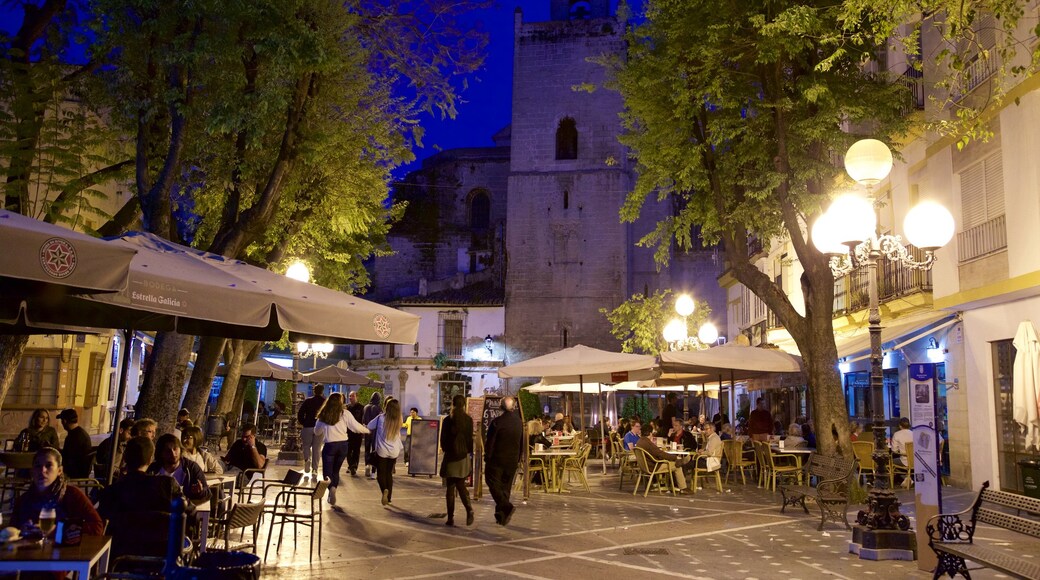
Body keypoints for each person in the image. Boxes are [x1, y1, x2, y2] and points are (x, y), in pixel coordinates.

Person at [99, 437, 192, 560]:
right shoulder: (167, 485)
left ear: (125, 459)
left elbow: (100, 523)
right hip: (163, 555)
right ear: (150, 459)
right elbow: (191, 513)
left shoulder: (111, 492)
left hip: (121, 556)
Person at [13, 448, 104, 546]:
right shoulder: (24, 500)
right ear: (32, 471)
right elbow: (12, 530)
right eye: (38, 466)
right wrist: (22, 530)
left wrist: (58, 530)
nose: (42, 470)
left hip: (65, 556)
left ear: (59, 470)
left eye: (48, 465)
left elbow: (97, 527)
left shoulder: (72, 495)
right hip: (30, 557)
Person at [314, 393, 370, 505]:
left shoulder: (323, 415)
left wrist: (324, 429)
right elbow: (355, 427)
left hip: (330, 446)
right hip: (343, 445)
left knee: (327, 471)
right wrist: (367, 430)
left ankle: (331, 488)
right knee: (336, 470)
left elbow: (317, 431)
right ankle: (334, 487)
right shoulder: (345, 413)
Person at [484, 396, 523, 526]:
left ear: (501, 407)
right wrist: (519, 457)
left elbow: (491, 441)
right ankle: (501, 516)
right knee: (505, 487)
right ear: (513, 407)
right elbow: (521, 442)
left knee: (492, 482)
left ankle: (506, 506)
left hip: (497, 459)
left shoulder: (497, 422)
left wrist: (487, 457)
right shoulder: (519, 422)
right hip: (512, 460)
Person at [439, 395, 474, 526]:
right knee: (460, 484)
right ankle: (469, 509)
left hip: (451, 457)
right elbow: (470, 440)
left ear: (452, 405)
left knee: (450, 488)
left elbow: (443, 440)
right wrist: (467, 452)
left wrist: (446, 449)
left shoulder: (448, 420)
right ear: (464, 405)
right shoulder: (468, 420)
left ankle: (450, 518)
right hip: (463, 457)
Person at [148, 433, 210, 504]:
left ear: (180, 449)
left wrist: (200, 492)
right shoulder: (153, 469)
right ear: (161, 452)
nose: (173, 453)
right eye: (168, 450)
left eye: (175, 449)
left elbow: (207, 493)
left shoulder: (191, 468)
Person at [367, 398, 403, 506]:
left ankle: (384, 491)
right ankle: (389, 498)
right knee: (389, 474)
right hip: (394, 451)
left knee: (380, 475)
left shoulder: (380, 418)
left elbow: (369, 426)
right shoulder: (399, 419)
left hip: (382, 450)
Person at [635, 425, 691, 493]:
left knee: (670, 460)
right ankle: (683, 488)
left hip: (644, 467)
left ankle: (679, 461)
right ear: (650, 433)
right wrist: (675, 457)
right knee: (677, 466)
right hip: (654, 466)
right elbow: (660, 453)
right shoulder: (648, 443)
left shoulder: (639, 442)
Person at [297, 384, 326, 474]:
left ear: (314, 391)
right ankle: (315, 469)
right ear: (322, 391)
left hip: (308, 426)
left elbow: (300, 413)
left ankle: (307, 460)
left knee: (306, 446)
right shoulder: (325, 402)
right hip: (320, 427)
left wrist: (303, 422)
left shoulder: (308, 401)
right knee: (317, 448)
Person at [56, 409, 93, 479]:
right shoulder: (81, 433)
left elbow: (67, 458)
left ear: (64, 421)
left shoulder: (73, 437)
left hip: (75, 472)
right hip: (82, 471)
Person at [362, 392, 383, 478]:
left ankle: (367, 465)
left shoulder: (366, 407)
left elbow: (363, 419)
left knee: (367, 449)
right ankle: (374, 472)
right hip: (375, 432)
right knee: (375, 451)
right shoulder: (378, 408)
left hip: (367, 430)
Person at [345, 391, 366, 476]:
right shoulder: (347, 407)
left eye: (352, 396)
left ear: (357, 397)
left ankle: (354, 466)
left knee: (356, 450)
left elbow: (363, 420)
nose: (350, 398)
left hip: (357, 433)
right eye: (350, 396)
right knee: (348, 450)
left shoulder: (361, 408)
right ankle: (350, 465)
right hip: (348, 432)